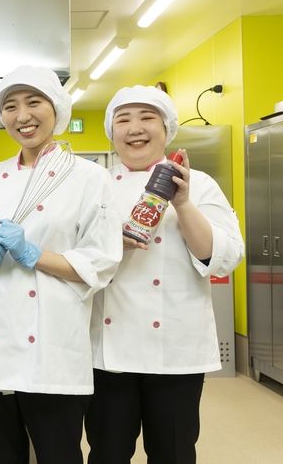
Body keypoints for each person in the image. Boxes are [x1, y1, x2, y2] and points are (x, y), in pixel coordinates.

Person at [0, 66, 122, 464]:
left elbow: (101, 259)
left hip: (52, 346)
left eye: (34, 102)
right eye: (10, 106)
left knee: (58, 453)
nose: (22, 116)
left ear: (57, 108)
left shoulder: (90, 177)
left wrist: (34, 255)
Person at [85, 85, 244, 464]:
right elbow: (73, 256)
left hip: (176, 347)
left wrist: (183, 203)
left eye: (147, 118)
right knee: (107, 452)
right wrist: (110, 243)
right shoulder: (95, 185)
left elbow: (223, 258)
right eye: (123, 120)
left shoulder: (199, 183)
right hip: (107, 351)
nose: (135, 128)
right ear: (111, 131)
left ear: (166, 128)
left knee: (173, 452)